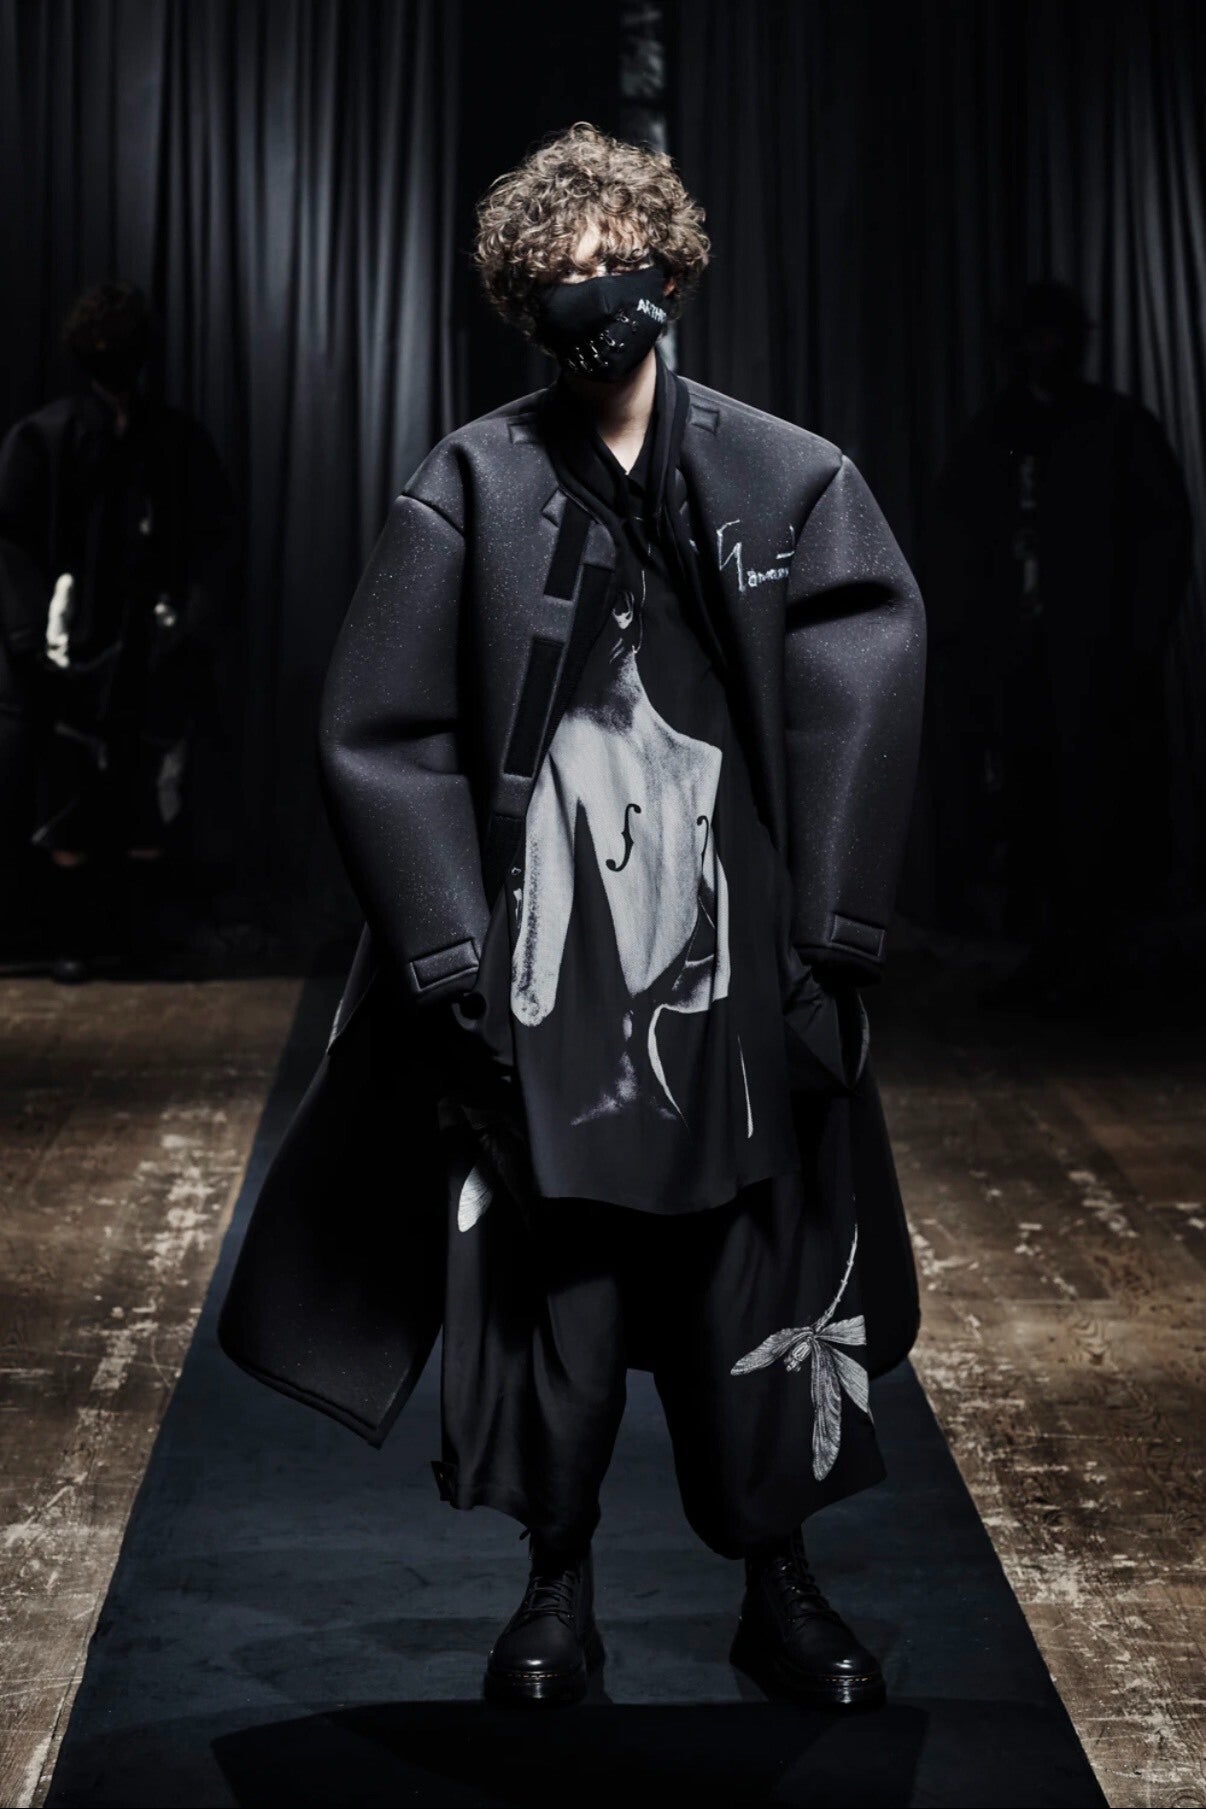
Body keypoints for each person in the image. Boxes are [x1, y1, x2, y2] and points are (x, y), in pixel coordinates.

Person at [219, 123, 926, 1710]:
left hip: (736, 957)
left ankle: (778, 1581)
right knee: (556, 1284)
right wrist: (452, 960)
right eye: (557, 269)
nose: (591, 289)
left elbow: (857, 686)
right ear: (517, 296)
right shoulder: (472, 482)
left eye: (615, 257)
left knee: (758, 1264)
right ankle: (555, 1583)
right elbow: (380, 724)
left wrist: (830, 941)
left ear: (670, 266)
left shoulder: (785, 476)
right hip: (545, 971)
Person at [923, 281, 1192, 1007]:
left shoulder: (1116, 425)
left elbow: (1162, 535)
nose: (1042, 350)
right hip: (1016, 660)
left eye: (1053, 336)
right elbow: (954, 540)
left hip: (1098, 657)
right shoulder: (993, 431)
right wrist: (969, 643)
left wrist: (1136, 639)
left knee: (1104, 795)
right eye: (1030, 337)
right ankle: (1049, 949)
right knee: (1027, 797)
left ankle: (1105, 952)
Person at [0, 281, 240, 978]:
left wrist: (187, 619)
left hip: (150, 643)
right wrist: (33, 633)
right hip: (68, 648)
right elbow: (12, 540)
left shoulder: (174, 439)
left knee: (147, 790)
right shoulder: (45, 438)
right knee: (68, 789)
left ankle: (137, 938)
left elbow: (215, 537)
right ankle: (73, 940)